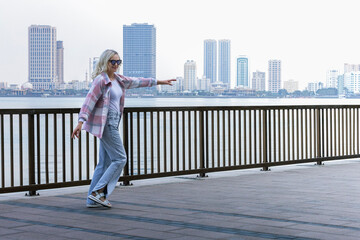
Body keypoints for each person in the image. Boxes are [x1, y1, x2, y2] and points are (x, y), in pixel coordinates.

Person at [71, 49, 175, 208]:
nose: (116, 65)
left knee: (104, 163)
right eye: (112, 61)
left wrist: (160, 82)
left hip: (113, 123)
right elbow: (89, 101)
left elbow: (139, 81)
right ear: (105, 62)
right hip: (106, 125)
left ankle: (91, 200)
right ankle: (97, 192)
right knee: (120, 158)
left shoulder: (119, 80)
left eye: (118, 62)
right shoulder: (101, 80)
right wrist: (80, 122)